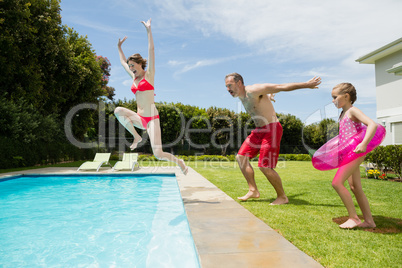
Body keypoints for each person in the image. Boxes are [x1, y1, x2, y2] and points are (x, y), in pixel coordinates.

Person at [225, 73, 321, 205]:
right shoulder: (242, 96)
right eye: (226, 86)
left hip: (272, 129)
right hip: (259, 131)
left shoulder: (253, 90)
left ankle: (282, 197)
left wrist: (306, 85)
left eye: (230, 85)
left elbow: (280, 86)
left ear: (239, 83)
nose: (228, 89)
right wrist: (268, 97)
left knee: (265, 166)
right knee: (241, 157)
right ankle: (253, 190)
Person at [114, 19, 188, 175]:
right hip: (139, 118)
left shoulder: (150, 75)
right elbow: (122, 62)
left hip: (152, 119)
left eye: (133, 65)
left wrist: (149, 31)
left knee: (158, 154)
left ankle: (179, 162)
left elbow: (151, 50)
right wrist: (119, 47)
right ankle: (136, 137)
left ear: (141, 64)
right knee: (118, 110)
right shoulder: (134, 78)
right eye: (130, 66)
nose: (131, 68)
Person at [330, 83, 377, 228]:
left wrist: (363, 144)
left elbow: (372, 124)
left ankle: (354, 218)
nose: (333, 101)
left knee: (337, 183)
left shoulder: (352, 111)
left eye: (334, 97)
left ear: (346, 96)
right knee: (355, 186)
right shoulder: (343, 113)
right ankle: (369, 221)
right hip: (348, 153)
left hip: (355, 153)